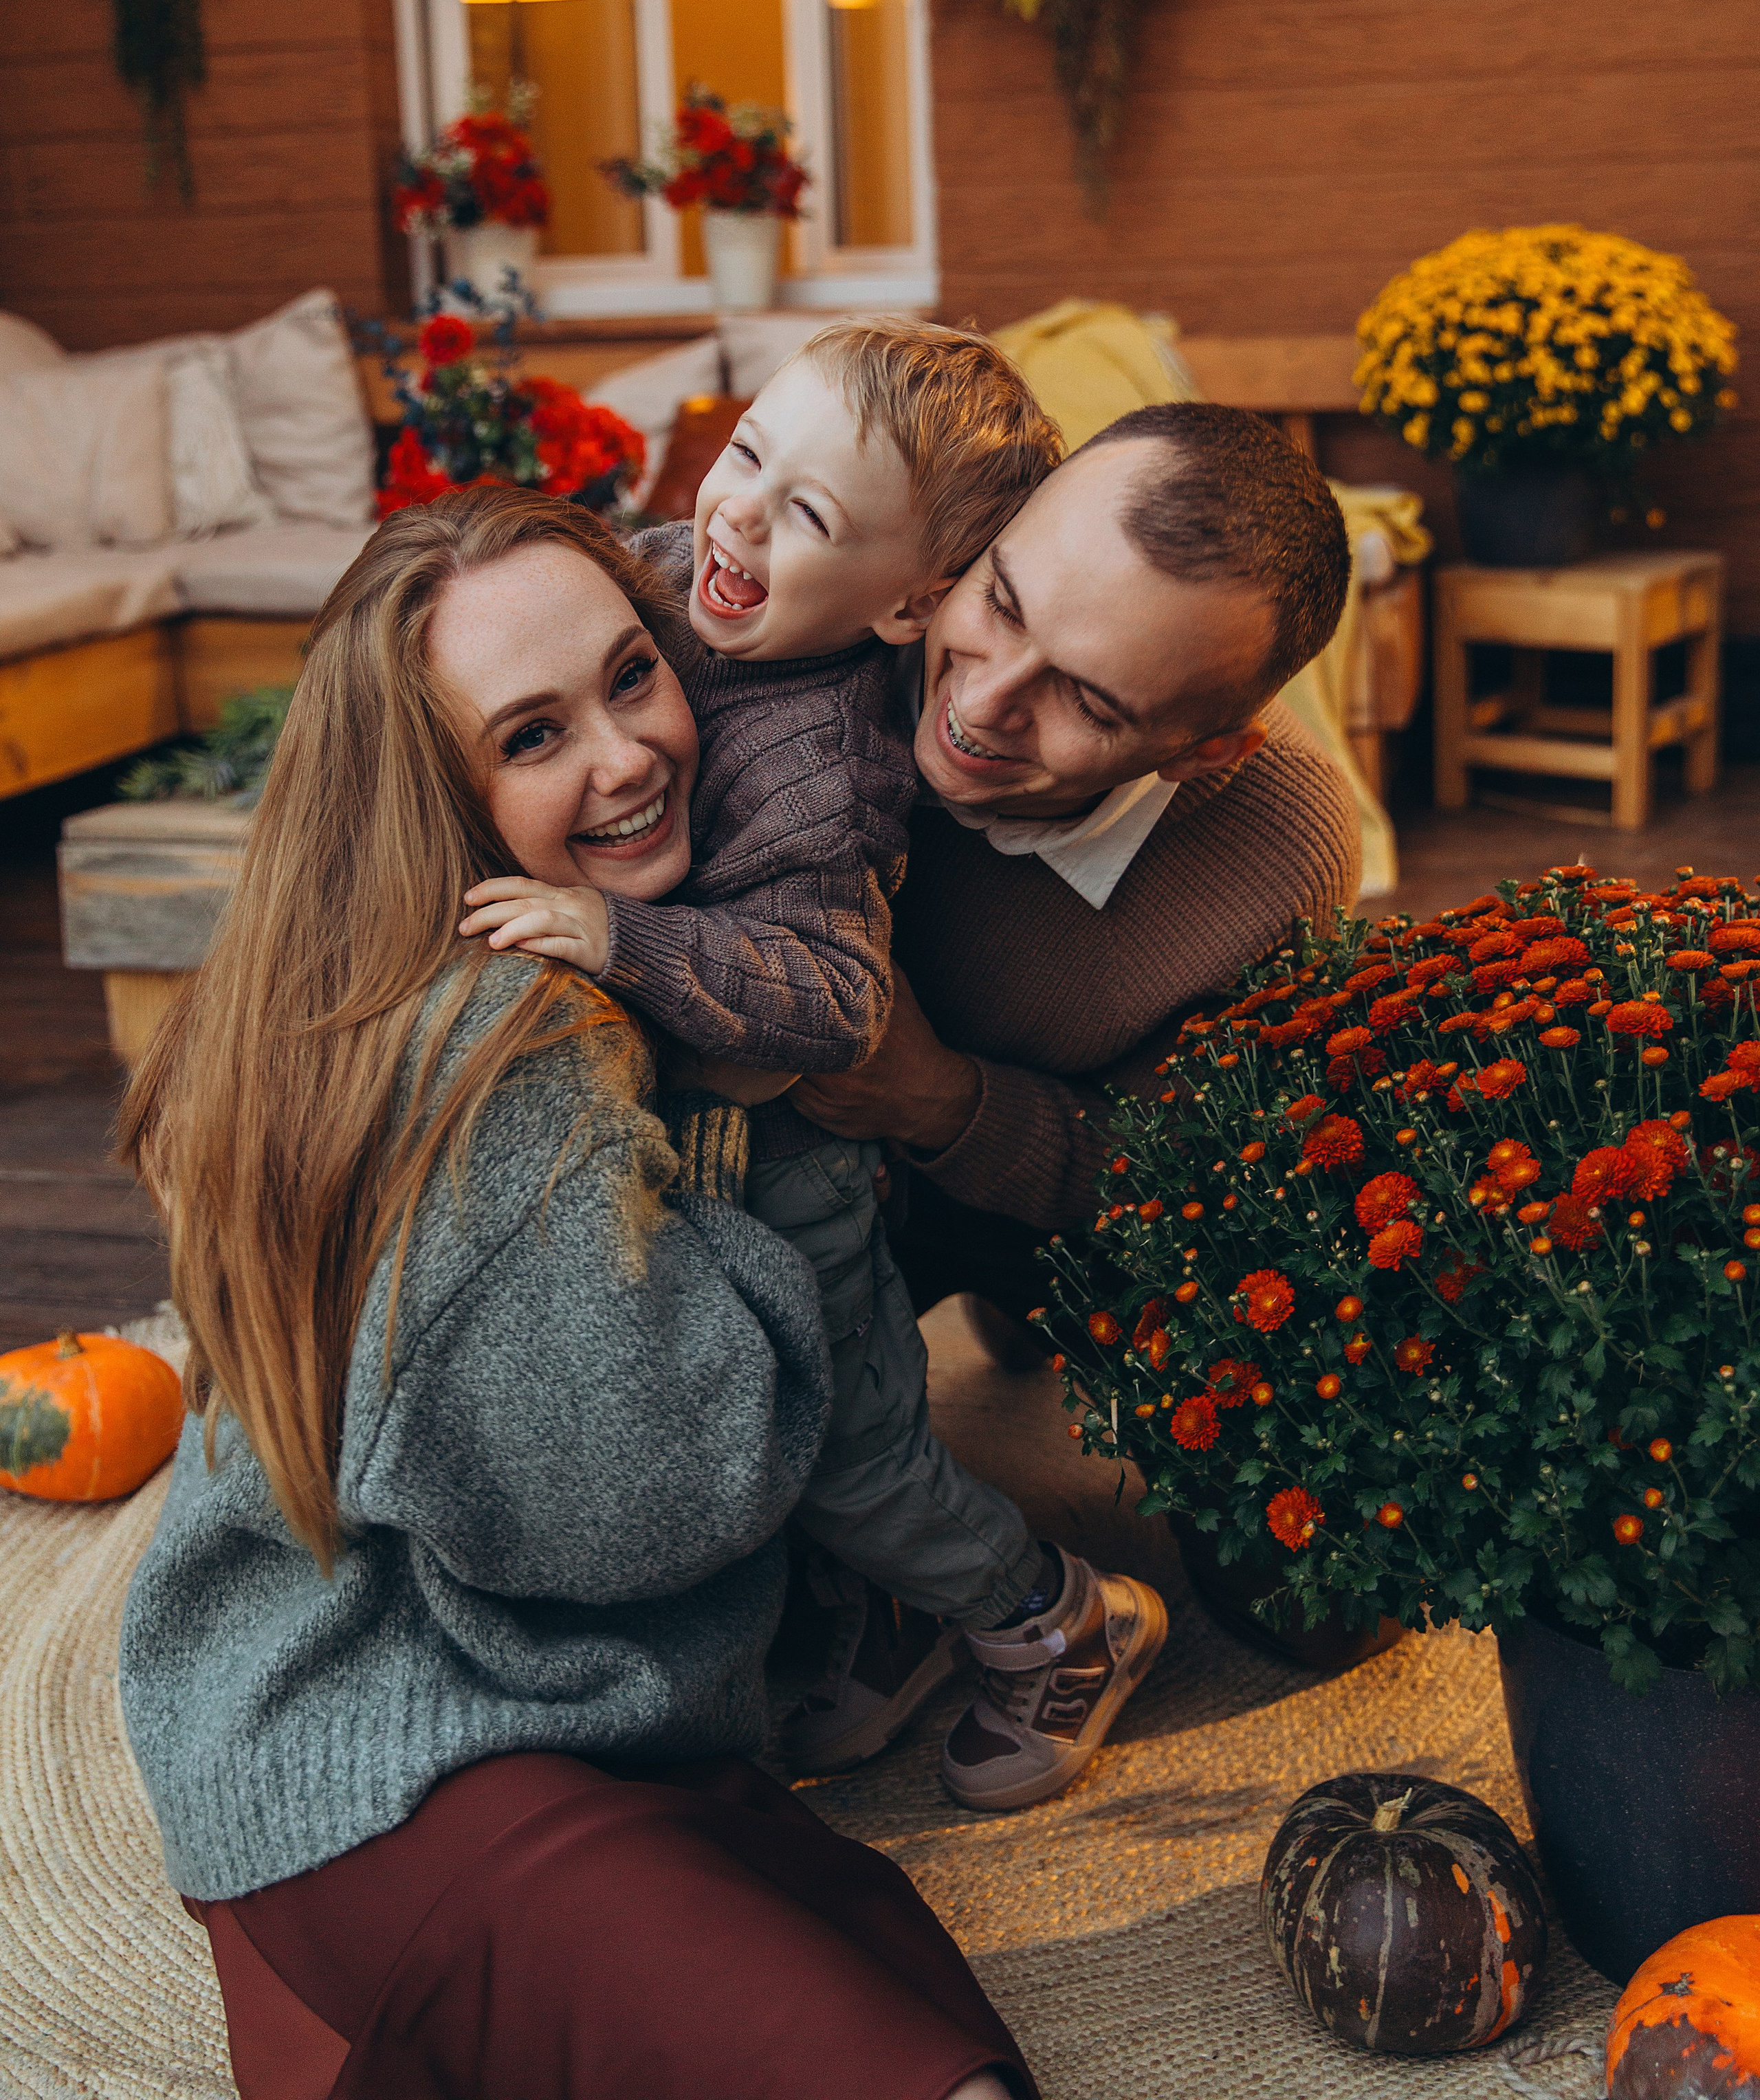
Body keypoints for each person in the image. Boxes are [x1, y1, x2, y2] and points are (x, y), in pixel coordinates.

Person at [116, 485, 1031, 2100]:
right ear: (436, 801)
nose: (626, 755)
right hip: (412, 1755)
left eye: (630, 675)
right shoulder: (515, 1046)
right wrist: (754, 1196)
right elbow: (646, 1504)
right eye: (530, 738)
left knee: (900, 1994)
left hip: (455, 1710)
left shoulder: (399, 973)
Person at [459, 322, 1168, 1809]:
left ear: (913, 603)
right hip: (672, 1141)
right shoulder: (660, 575)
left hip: (794, 1178)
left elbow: (835, 1001)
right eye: (744, 457)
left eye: (805, 519)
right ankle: (881, 1620)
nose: (733, 515)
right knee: (714, 1432)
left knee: (844, 1454)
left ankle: (1051, 1618)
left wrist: (615, 939)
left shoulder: (823, 765)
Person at [793, 402, 1361, 1791]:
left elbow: (1183, 1184)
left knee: (1323, 1610)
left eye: (1088, 701)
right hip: (803, 1177)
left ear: (1201, 750)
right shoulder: (859, 620)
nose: (980, 702)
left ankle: (1015, 1311)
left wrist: (936, 1102)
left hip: (1056, 1175)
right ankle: (875, 1569)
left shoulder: (1273, 841)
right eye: (1000, 603)